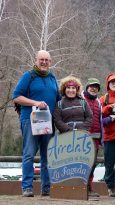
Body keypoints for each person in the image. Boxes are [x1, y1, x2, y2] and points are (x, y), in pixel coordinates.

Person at [13, 50, 61, 197]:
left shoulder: (52, 77)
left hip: (48, 120)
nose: (44, 62)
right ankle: (27, 187)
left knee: (47, 155)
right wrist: (35, 103)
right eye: (41, 59)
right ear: (36, 60)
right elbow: (16, 97)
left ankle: (46, 188)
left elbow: (58, 99)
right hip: (30, 119)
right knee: (29, 153)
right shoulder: (28, 76)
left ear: (50, 62)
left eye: (47, 60)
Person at [82, 78, 104, 197]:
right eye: (91, 86)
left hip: (95, 138)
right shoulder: (80, 99)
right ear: (87, 87)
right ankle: (80, 188)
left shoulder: (99, 102)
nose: (94, 88)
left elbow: (100, 121)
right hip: (82, 138)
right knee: (81, 163)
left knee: (92, 164)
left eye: (96, 86)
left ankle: (89, 188)